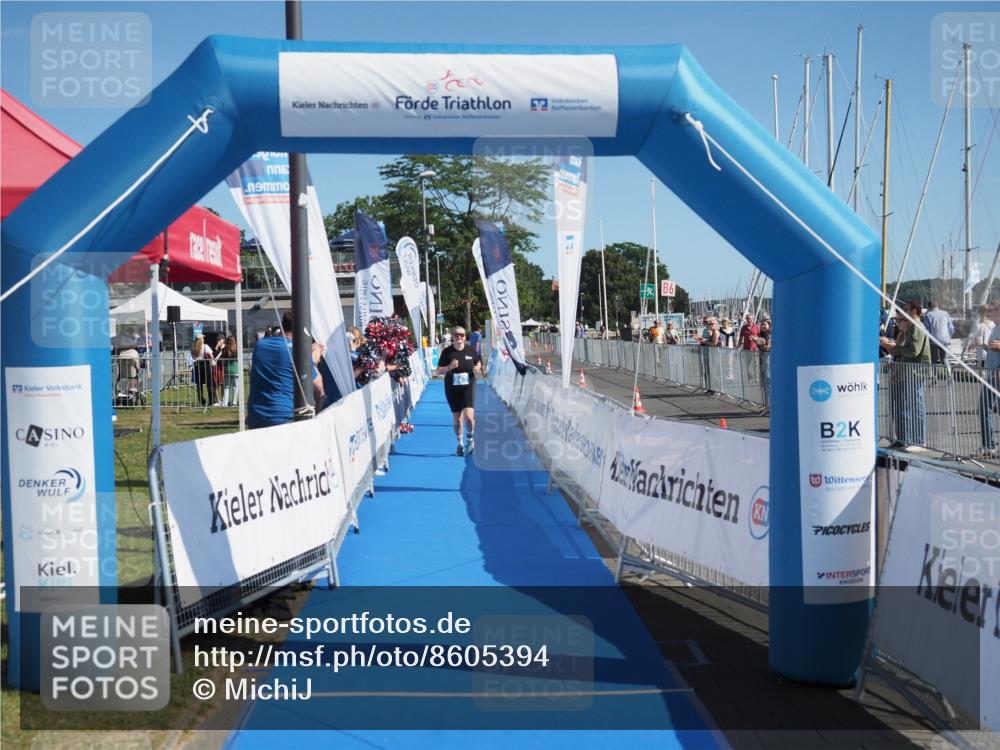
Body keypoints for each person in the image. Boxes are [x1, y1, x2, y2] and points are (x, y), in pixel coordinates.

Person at [246, 311, 323, 429]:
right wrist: (313, 361)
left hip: (256, 416)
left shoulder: (260, 345)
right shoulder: (297, 351)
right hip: (283, 417)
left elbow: (282, 365)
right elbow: (319, 387)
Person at [879, 301, 930, 452]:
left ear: (914, 311)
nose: (901, 317)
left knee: (915, 405)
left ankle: (919, 441)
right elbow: (905, 350)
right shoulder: (908, 329)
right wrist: (892, 346)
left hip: (914, 372)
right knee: (903, 406)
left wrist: (892, 347)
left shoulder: (916, 327)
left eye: (905, 311)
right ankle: (903, 439)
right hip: (905, 372)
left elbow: (913, 351)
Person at [433, 326, 483, 456]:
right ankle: (460, 443)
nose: (459, 337)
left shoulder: (470, 350)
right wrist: (450, 366)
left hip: (468, 386)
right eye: (456, 335)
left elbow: (478, 363)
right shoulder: (447, 352)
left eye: (462, 335)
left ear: (465, 337)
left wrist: (477, 368)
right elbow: (438, 371)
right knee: (457, 418)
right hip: (452, 387)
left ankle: (470, 439)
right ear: (452, 337)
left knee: (469, 418)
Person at [977, 305, 1000, 457]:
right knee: (984, 408)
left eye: (992, 309)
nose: (989, 312)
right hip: (992, 374)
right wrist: (983, 345)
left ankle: (989, 445)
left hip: (997, 374)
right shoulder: (995, 327)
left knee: (984, 407)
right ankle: (989, 446)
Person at [922, 300, 954, 365]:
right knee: (944, 358)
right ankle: (948, 371)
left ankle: (934, 371)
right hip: (945, 340)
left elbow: (926, 330)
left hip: (933, 340)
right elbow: (951, 328)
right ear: (938, 306)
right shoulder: (946, 313)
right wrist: (949, 337)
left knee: (933, 359)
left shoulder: (928, 315)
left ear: (929, 307)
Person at [188, 335, 215, 407]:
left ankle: (201, 400)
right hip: (206, 365)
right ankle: (211, 400)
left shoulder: (193, 348)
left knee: (199, 385)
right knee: (209, 383)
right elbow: (211, 356)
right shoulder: (205, 346)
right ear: (201, 339)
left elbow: (193, 358)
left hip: (197, 365)